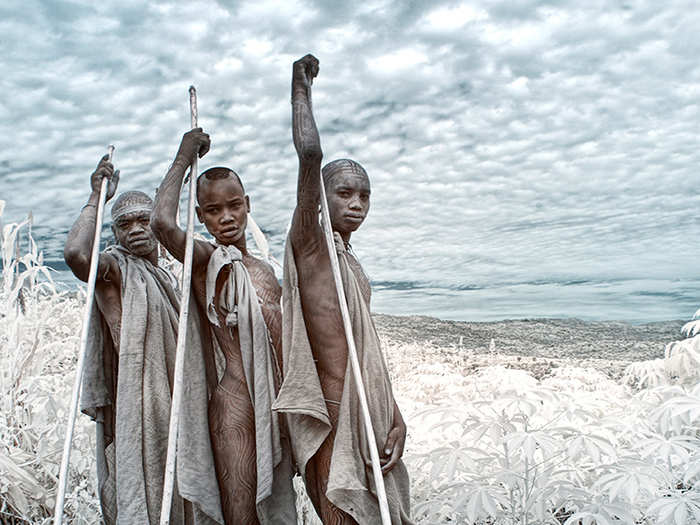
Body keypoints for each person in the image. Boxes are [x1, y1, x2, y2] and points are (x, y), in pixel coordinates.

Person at [273, 54, 413, 524]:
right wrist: (301, 90)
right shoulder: (310, 246)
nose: (356, 204)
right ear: (322, 195)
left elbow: (366, 351)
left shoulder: (350, 261)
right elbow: (310, 157)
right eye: (344, 193)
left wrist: (395, 416)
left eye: (364, 195)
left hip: (371, 410)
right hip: (334, 415)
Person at [64, 155, 223, 525]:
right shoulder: (114, 269)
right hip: (137, 405)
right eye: (124, 224)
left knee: (183, 493)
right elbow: (75, 254)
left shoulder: (168, 278)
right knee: (143, 495)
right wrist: (95, 199)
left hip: (181, 401)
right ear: (115, 233)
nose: (136, 229)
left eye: (143, 220)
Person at [150, 131, 296, 525]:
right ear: (200, 217)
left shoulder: (264, 269)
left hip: (278, 402)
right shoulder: (205, 258)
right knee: (242, 514)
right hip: (236, 405)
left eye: (234, 205)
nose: (226, 217)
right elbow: (162, 223)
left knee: (279, 509)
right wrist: (183, 155)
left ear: (247, 205)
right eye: (213, 210)